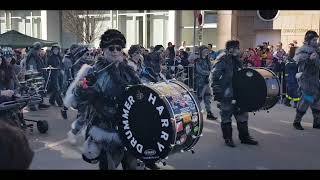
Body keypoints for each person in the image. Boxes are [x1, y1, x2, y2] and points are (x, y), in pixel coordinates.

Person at [71, 29, 141, 170]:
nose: (115, 51)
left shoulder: (129, 70)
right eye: (111, 48)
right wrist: (82, 89)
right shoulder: (94, 72)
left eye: (119, 48)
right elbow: (76, 100)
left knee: (133, 166)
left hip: (128, 128)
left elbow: (139, 91)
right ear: (103, 49)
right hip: (105, 130)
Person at [211, 40, 258, 147]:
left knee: (242, 114)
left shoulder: (237, 60)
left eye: (238, 48)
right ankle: (228, 138)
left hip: (238, 93)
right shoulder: (222, 60)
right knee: (226, 115)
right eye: (236, 48)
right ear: (230, 49)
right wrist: (217, 92)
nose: (238, 50)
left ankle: (244, 137)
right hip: (226, 93)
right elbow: (214, 77)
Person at [293, 30, 320, 130]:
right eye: (313, 40)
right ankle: (297, 121)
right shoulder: (302, 50)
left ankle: (317, 122)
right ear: (308, 40)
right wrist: (309, 58)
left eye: (316, 40)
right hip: (306, 79)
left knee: (317, 101)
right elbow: (298, 60)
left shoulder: (317, 49)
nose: (315, 42)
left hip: (315, 79)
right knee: (306, 100)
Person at [194, 45, 217, 121]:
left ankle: (209, 113)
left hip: (207, 81)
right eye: (205, 51)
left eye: (207, 51)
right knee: (199, 98)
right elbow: (199, 70)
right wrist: (209, 73)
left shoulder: (207, 60)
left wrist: (211, 71)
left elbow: (211, 68)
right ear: (201, 52)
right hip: (200, 82)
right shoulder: (198, 60)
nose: (206, 52)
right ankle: (195, 114)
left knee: (208, 97)